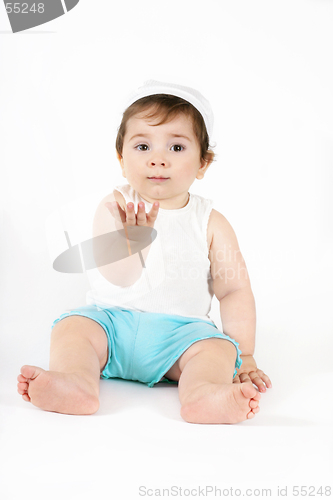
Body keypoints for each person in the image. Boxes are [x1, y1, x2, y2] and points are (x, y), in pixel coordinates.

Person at [17, 80, 272, 424]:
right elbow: (119, 277)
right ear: (122, 160)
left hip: (183, 336)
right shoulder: (115, 206)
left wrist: (248, 354)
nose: (158, 160)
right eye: (142, 147)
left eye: (177, 148)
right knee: (74, 327)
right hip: (111, 324)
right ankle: (75, 383)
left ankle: (204, 395)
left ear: (203, 163)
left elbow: (234, 290)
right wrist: (131, 242)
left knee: (217, 349)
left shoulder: (210, 221)